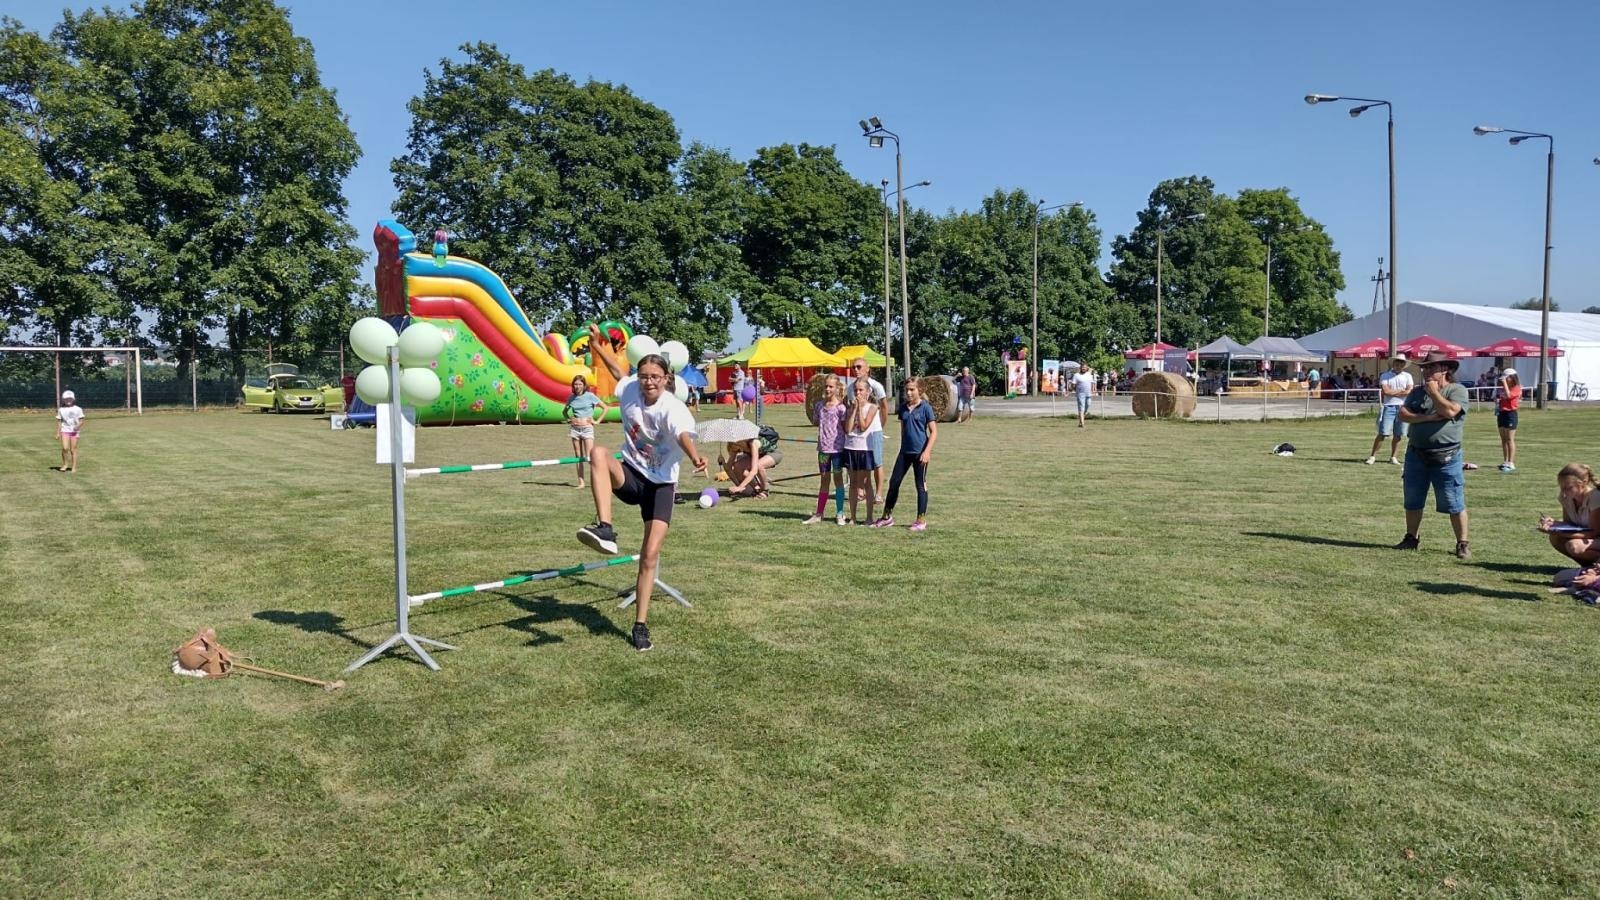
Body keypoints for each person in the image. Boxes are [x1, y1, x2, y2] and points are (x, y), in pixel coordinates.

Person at [576, 324, 707, 652]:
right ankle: (605, 528)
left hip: (660, 487)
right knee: (598, 453)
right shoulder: (631, 387)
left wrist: (695, 458)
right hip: (632, 475)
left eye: (655, 377)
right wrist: (596, 346)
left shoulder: (672, 408)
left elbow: (683, 436)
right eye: (644, 375)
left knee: (649, 556)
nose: (648, 381)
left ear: (666, 379)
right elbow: (616, 369)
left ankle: (640, 625)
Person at [1395, 351, 1471, 559]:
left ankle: (1462, 543)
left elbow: (1449, 412)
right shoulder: (1418, 392)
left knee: (1454, 501)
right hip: (1416, 454)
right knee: (1412, 499)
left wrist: (1435, 393)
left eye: (1431, 367)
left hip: (1447, 456)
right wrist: (1428, 418)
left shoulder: (1457, 390)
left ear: (1445, 369)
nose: (1426, 371)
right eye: (1424, 367)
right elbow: (1403, 414)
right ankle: (1411, 537)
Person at [872, 378, 937, 532]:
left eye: (912, 389)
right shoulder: (903, 408)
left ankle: (921, 520)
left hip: (920, 454)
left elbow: (934, 432)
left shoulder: (925, 408)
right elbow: (903, 430)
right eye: (907, 389)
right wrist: (903, 448)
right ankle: (887, 517)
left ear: (919, 390)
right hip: (904, 452)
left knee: (920, 485)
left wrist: (927, 452)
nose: (908, 392)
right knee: (894, 483)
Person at [805, 375, 849, 525]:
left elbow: (845, 427)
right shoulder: (819, 406)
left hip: (837, 450)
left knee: (838, 480)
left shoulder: (841, 408)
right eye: (826, 386)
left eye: (831, 386)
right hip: (823, 450)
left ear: (837, 388)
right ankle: (819, 513)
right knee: (824, 480)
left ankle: (840, 513)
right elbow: (816, 422)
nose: (828, 389)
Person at [1539, 463, 1600, 565]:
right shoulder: (1566, 498)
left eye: (1568, 488)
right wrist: (1553, 524)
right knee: (1555, 538)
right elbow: (1569, 524)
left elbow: (1594, 532)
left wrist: (1558, 532)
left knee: (1574, 546)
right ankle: (1588, 566)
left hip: (1595, 537)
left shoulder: (1596, 498)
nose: (1563, 492)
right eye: (1561, 488)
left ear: (1583, 483)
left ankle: (1595, 568)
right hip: (1588, 537)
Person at [848, 357, 889, 505]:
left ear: (867, 368)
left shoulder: (876, 386)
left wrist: (880, 426)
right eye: (854, 367)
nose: (856, 370)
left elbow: (884, 407)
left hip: (874, 430)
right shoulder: (850, 387)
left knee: (877, 462)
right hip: (859, 432)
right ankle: (861, 491)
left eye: (859, 367)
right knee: (861, 464)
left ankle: (878, 494)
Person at [842, 377, 882, 525]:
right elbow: (848, 429)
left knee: (866, 483)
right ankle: (853, 517)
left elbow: (864, 426)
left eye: (861, 390)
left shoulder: (872, 407)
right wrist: (853, 410)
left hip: (865, 448)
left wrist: (859, 408)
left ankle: (869, 517)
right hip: (851, 447)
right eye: (856, 390)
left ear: (867, 392)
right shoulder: (850, 407)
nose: (858, 393)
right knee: (852, 483)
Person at [563, 375, 609, 489]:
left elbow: (605, 408)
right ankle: (581, 482)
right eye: (575, 384)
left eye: (579, 384)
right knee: (578, 457)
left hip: (587, 428)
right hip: (575, 429)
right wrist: (569, 419)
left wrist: (597, 421)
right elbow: (564, 412)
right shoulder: (571, 398)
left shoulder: (590, 396)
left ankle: (598, 480)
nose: (577, 386)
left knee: (590, 456)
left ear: (584, 386)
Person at [1366, 356, 1413, 465]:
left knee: (1399, 434)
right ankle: (1373, 456)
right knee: (1383, 432)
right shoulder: (1385, 375)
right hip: (1389, 406)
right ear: (1393, 364)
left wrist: (1394, 392)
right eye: (1397, 364)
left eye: (1401, 364)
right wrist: (1401, 391)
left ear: (1404, 366)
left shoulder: (1407, 376)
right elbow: (1386, 391)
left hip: (1403, 407)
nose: (1399, 366)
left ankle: (1393, 457)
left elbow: (1409, 390)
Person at [723, 427, 781, 499]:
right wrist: (723, 463)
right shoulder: (733, 444)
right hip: (758, 455)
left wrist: (740, 487)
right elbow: (729, 467)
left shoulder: (753, 442)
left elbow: (754, 470)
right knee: (738, 465)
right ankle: (756, 489)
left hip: (772, 453)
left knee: (759, 466)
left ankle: (764, 490)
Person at [1495, 367, 1520, 472]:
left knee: (1510, 439)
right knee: (1503, 440)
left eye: (1506, 378)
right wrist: (1497, 400)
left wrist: (1504, 383)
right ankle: (1505, 461)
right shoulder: (1504, 388)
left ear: (1512, 378)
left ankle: (1511, 462)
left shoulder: (1516, 387)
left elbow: (1509, 396)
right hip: (1502, 413)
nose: (1504, 380)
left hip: (1511, 414)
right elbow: (1503, 398)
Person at [56, 389, 84, 473]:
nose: (68, 400)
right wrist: (58, 432)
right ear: (63, 399)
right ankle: (65, 464)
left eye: (70, 398)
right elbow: (59, 422)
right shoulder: (61, 409)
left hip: (74, 432)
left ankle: (74, 467)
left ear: (73, 399)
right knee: (65, 448)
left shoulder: (78, 409)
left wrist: (77, 426)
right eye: (66, 399)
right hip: (65, 431)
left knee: (73, 449)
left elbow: (82, 421)